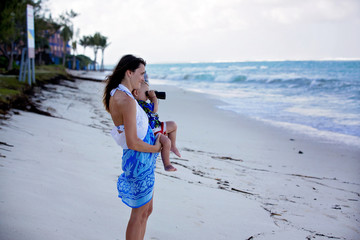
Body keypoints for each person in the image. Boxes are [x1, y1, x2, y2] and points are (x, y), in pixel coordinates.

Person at [103, 54, 161, 240]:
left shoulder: (124, 95)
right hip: (138, 159)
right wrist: (156, 148)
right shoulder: (126, 100)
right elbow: (132, 141)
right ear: (129, 73)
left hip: (142, 158)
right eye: (141, 73)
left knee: (146, 210)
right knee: (139, 212)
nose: (143, 78)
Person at [132, 74, 181, 172]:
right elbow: (154, 109)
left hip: (157, 126)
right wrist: (153, 98)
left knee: (173, 125)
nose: (148, 95)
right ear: (136, 93)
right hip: (152, 131)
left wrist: (151, 98)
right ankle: (167, 164)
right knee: (166, 141)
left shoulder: (144, 103)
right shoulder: (138, 104)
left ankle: (173, 147)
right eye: (146, 93)